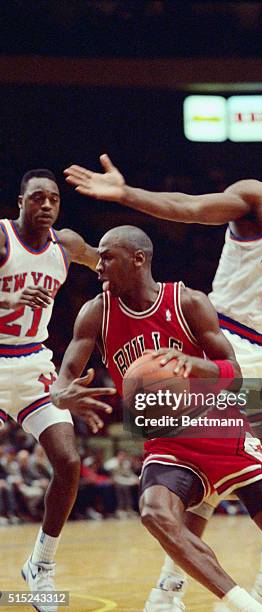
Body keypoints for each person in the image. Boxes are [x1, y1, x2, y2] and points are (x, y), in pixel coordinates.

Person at [64, 146, 262, 610]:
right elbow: (191, 208)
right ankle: (169, 587)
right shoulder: (259, 199)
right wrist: (126, 194)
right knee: (203, 470)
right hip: (224, 345)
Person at [0, 169, 115, 612]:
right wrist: (8, 302)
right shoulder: (4, 238)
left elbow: (104, 259)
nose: (46, 205)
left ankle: (40, 565)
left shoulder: (65, 245)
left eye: (53, 199)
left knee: (68, 462)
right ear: (20, 202)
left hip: (32, 364)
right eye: (37, 198)